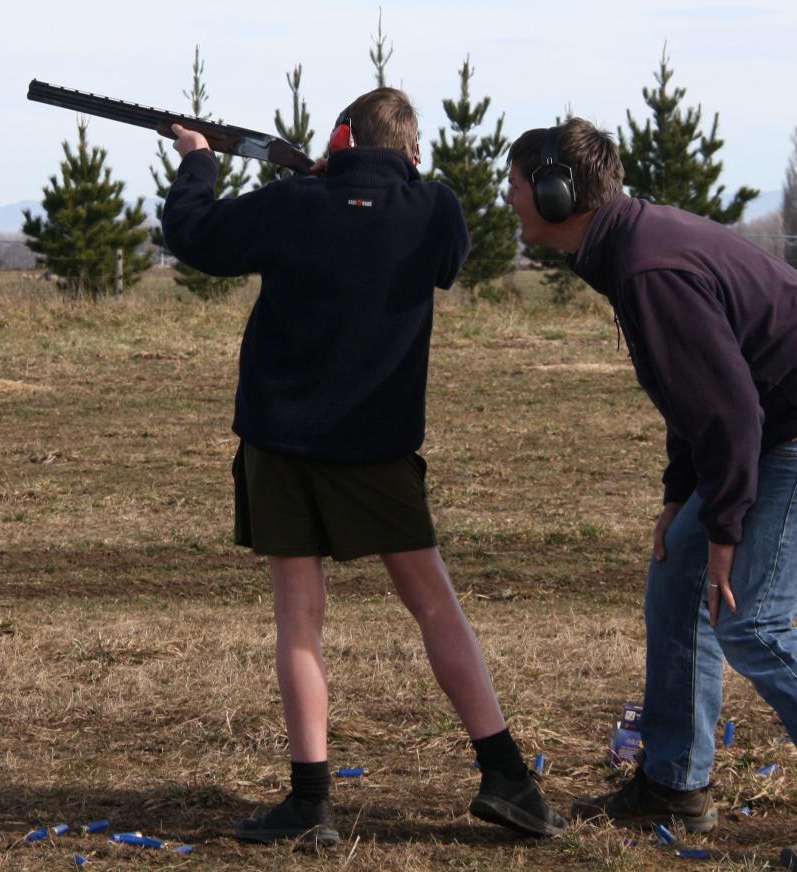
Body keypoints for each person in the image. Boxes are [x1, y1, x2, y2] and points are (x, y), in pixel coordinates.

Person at [504, 118, 797, 872]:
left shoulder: (645, 268)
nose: (510, 197)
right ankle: (675, 784)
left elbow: (730, 410)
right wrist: (684, 499)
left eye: (516, 183)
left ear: (557, 192)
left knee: (755, 617)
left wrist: (725, 526)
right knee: (679, 569)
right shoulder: (629, 247)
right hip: (783, 421)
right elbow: (696, 393)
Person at [161, 87, 565, 846]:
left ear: (340, 137)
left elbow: (195, 237)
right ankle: (507, 777)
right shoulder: (434, 208)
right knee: (436, 606)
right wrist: (359, 179)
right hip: (378, 447)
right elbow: (445, 244)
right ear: (411, 153)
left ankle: (311, 802)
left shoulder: (290, 202)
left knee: (299, 620)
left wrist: (197, 162)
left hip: (281, 444)